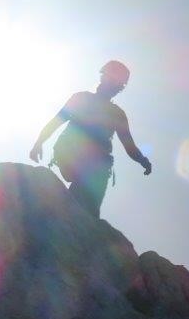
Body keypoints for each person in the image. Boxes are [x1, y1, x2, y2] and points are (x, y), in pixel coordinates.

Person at [29, 60, 152, 216]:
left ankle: (77, 213)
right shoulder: (84, 100)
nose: (113, 86)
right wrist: (38, 142)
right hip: (75, 156)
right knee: (85, 200)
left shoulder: (114, 113)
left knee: (87, 203)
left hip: (89, 163)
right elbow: (56, 121)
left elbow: (130, 147)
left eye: (116, 84)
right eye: (112, 81)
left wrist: (143, 161)